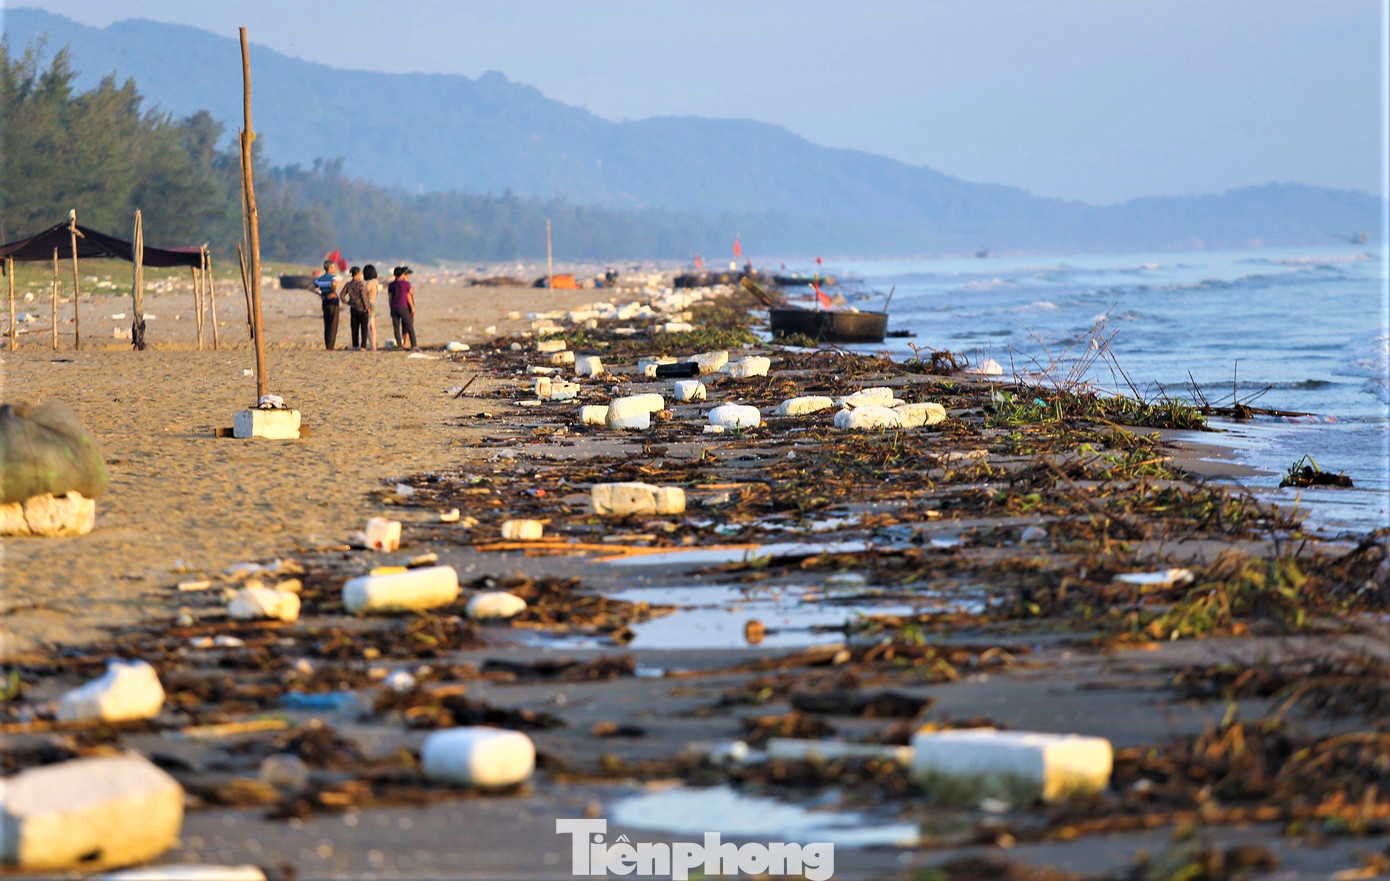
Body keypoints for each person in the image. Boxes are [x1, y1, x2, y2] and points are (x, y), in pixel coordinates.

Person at [387, 265, 417, 349]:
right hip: (403, 307)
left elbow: (390, 298)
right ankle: (414, 345)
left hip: (394, 307)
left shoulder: (391, 284)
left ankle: (400, 345)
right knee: (410, 326)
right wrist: (412, 307)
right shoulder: (406, 284)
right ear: (402, 274)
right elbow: (409, 294)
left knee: (396, 328)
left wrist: (391, 308)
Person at [313, 260, 341, 350]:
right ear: (329, 268)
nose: (335, 269)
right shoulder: (332, 277)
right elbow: (334, 283)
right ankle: (330, 346)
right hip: (333, 301)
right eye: (333, 267)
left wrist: (319, 294)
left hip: (325, 301)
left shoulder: (320, 279)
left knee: (327, 323)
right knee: (333, 324)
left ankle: (327, 345)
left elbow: (310, 287)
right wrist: (333, 291)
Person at [341, 266, 370, 350]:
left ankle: (355, 345)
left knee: (354, 328)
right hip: (362, 309)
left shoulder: (348, 284)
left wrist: (347, 302)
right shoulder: (360, 284)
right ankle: (363, 346)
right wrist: (367, 307)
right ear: (357, 274)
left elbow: (341, 295)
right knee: (364, 328)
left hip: (353, 308)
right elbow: (364, 297)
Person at [361, 264, 380, 351]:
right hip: (374, 303)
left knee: (368, 327)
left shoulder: (369, 283)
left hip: (369, 304)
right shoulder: (375, 282)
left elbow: (364, 292)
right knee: (373, 326)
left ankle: (373, 346)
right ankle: (374, 346)